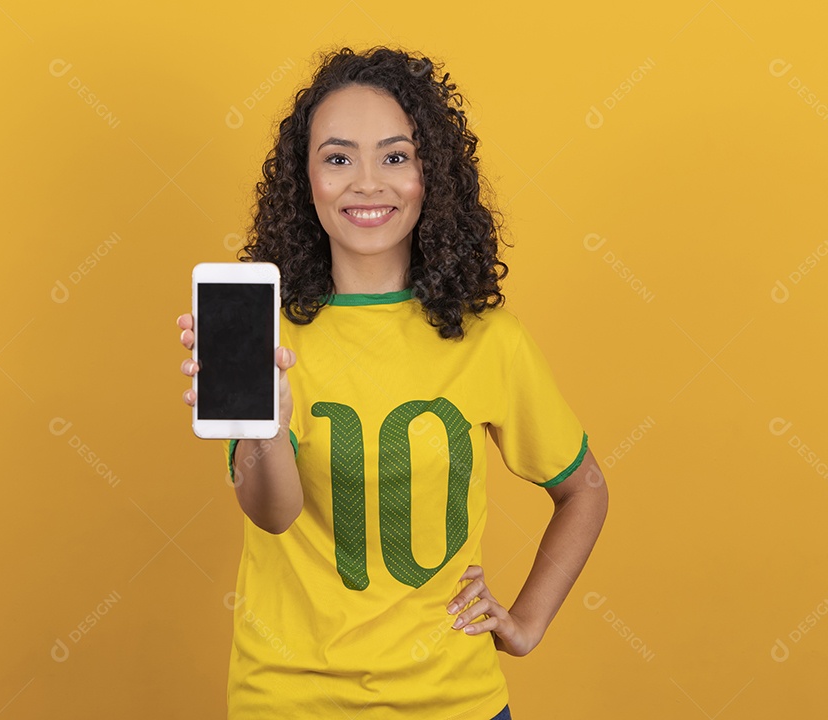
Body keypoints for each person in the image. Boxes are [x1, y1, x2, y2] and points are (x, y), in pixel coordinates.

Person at [177, 46, 609, 720]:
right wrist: (262, 428)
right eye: (338, 157)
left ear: (430, 175)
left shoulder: (490, 340)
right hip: (289, 700)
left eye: (396, 156)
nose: (367, 183)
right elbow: (274, 513)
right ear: (306, 180)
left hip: (453, 703)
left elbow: (583, 488)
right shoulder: (270, 336)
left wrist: (525, 624)